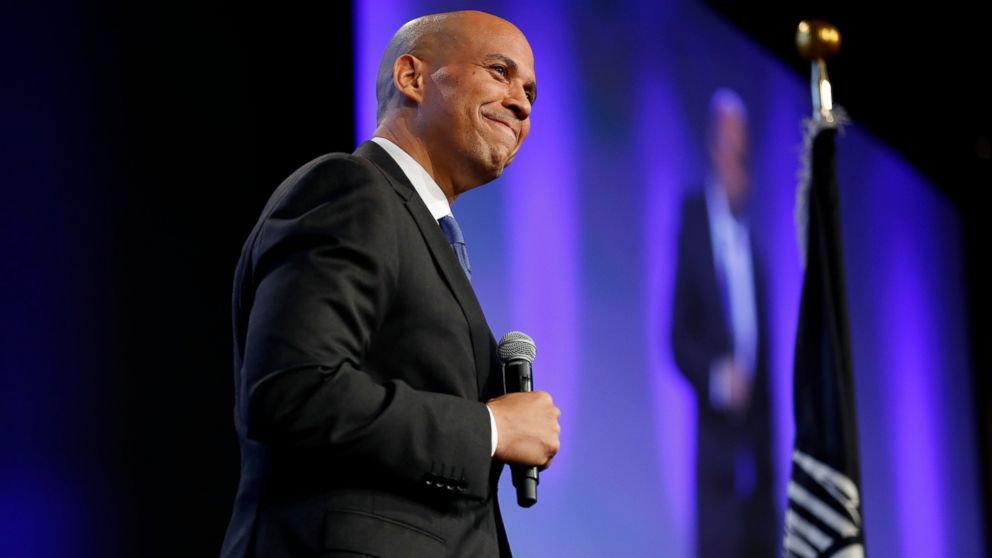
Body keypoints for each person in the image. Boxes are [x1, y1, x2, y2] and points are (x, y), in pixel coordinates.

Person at [220, 11, 560, 558]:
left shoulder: (425, 231)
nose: (522, 104)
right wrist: (489, 430)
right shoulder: (350, 190)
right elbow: (293, 391)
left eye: (530, 93)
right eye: (499, 72)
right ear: (412, 77)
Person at [671, 88, 777, 557]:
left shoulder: (754, 248)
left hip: (759, 453)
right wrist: (717, 377)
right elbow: (676, 335)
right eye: (735, 150)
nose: (743, 164)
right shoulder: (693, 222)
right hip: (715, 446)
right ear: (716, 147)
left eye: (748, 153)